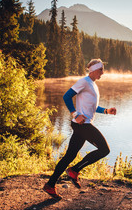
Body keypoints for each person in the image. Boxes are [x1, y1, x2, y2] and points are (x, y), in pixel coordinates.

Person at [43, 59, 117, 200]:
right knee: (104, 150)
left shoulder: (93, 85)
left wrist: (107, 111)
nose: (103, 72)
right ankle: (74, 170)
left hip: (82, 125)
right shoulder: (84, 81)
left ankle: (50, 185)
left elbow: (93, 108)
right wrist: (75, 114)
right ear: (94, 69)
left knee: (69, 156)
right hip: (83, 125)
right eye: (101, 69)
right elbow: (66, 96)